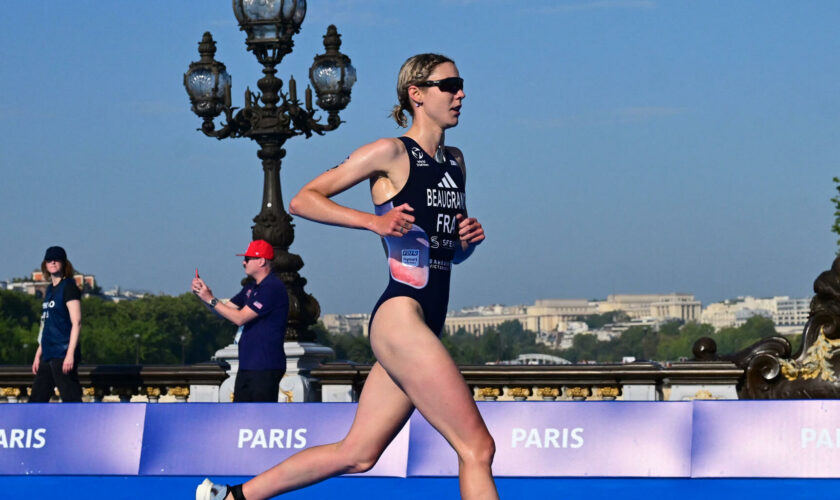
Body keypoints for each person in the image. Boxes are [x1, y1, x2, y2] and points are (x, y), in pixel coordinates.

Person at [197, 53, 498, 500]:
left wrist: (465, 243)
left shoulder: (455, 162)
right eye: (448, 84)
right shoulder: (390, 152)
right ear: (416, 94)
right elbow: (302, 200)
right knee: (477, 447)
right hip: (401, 317)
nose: (460, 93)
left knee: (358, 453)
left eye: (460, 84)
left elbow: (445, 256)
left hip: (425, 319)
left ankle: (231, 497)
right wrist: (372, 221)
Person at [192, 239, 289, 402]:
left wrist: (211, 298)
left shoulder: (272, 287)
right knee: (242, 416)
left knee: (259, 417)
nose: (244, 263)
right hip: (248, 364)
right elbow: (225, 310)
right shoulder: (251, 287)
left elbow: (240, 318)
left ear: (261, 261)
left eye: (248, 259)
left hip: (265, 364)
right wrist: (203, 295)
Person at [30, 245, 83, 403]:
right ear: (45, 264)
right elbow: (46, 325)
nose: (52, 262)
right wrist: (38, 353)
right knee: (36, 401)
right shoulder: (49, 290)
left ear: (64, 263)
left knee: (71, 398)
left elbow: (77, 322)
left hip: (63, 352)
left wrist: (70, 354)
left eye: (57, 259)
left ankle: (80, 426)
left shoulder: (69, 287)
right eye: (49, 260)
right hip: (48, 352)